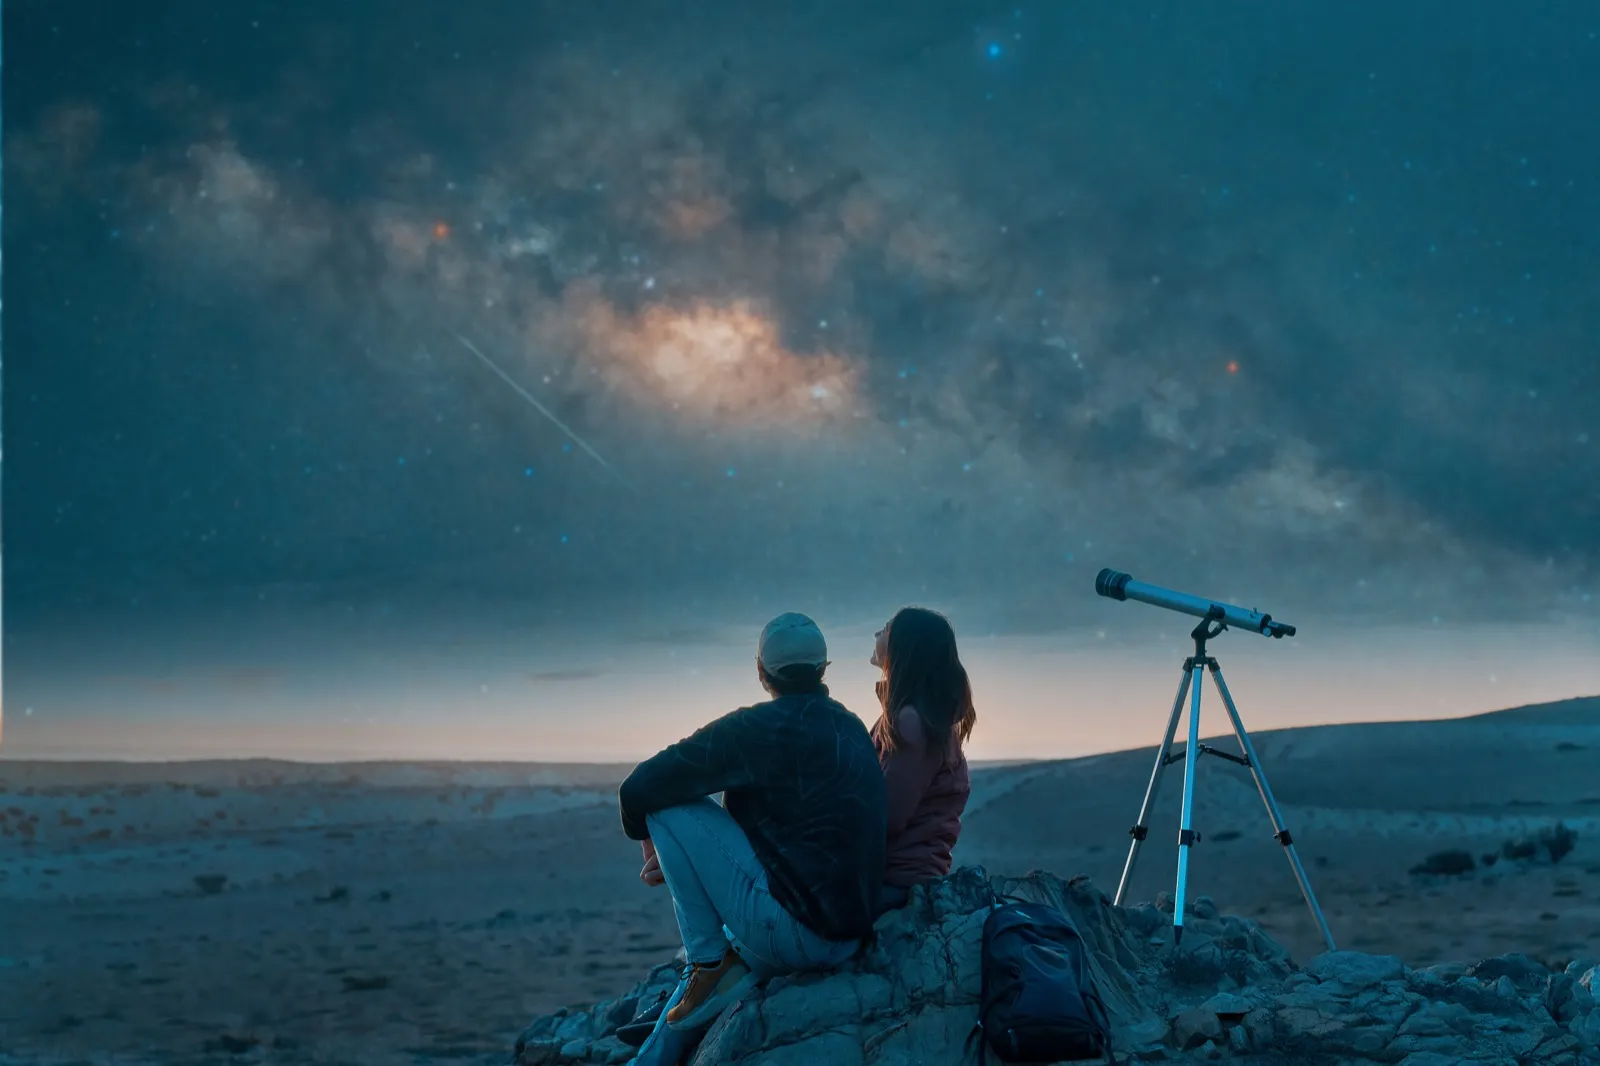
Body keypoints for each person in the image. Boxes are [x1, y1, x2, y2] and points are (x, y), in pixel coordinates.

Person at [617, 612, 887, 1036]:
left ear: (761, 672)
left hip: (798, 934)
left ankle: (708, 962)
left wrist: (650, 842)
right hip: (852, 936)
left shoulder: (755, 728)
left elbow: (639, 788)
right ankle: (659, 1047)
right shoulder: (850, 726)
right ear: (823, 670)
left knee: (665, 807)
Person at [868, 605, 976, 917]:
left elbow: (887, 815)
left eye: (886, 629)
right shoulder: (921, 718)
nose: (877, 634)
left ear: (905, 648)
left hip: (895, 887)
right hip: (904, 882)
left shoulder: (911, 722)